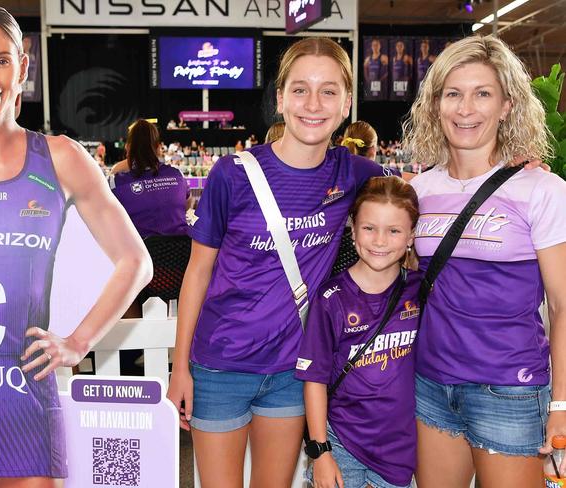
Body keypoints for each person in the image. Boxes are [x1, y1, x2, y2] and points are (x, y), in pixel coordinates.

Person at [0, 5, 152, 487]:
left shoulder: (61, 158)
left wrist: (78, 342)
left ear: (24, 65)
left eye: (2, 60)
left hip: (27, 392)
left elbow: (135, 261)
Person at [167, 37, 391, 488]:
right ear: (281, 97)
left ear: (347, 103)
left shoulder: (355, 175)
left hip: (294, 371)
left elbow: (414, 209)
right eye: (300, 89)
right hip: (220, 366)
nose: (313, 103)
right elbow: (197, 272)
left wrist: (512, 167)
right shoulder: (232, 175)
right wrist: (180, 369)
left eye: (329, 91)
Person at [402, 35, 566, 487]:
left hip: (509, 390)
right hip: (431, 386)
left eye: (483, 94)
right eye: (453, 93)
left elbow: (562, 306)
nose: (466, 108)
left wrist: (561, 405)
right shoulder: (416, 193)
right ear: (436, 105)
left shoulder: (541, 191)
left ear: (507, 105)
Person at [296, 176, 421, 488]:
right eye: (369, 228)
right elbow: (314, 379)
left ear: (411, 236)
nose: (380, 240)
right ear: (353, 229)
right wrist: (321, 451)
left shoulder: (421, 290)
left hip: (398, 447)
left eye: (393, 231)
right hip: (340, 442)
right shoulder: (331, 298)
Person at [109, 119, 190, 238]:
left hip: (138, 254)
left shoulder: (115, 183)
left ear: (128, 147)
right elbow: (187, 204)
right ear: (158, 148)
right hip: (181, 254)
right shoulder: (178, 175)